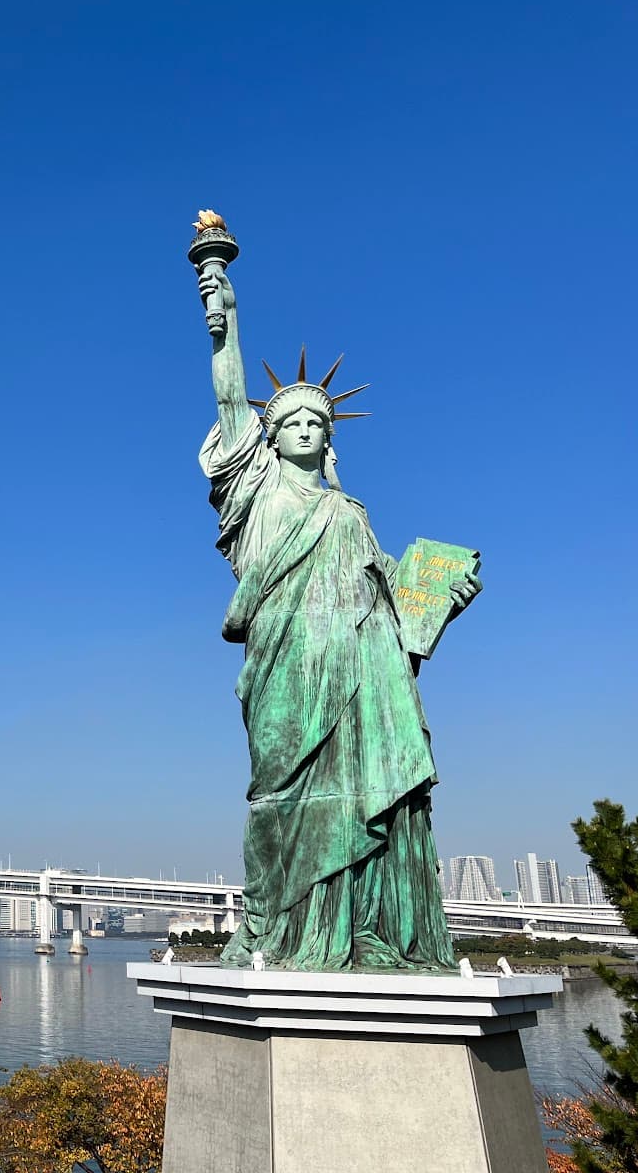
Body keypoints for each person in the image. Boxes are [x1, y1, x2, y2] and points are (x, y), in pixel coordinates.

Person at [196, 261, 479, 971]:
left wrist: (439, 601)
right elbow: (232, 400)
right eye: (289, 421)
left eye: (316, 422)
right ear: (271, 435)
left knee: (358, 795)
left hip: (359, 668)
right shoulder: (253, 488)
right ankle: (273, 929)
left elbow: (394, 601)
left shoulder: (349, 512)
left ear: (330, 437)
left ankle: (356, 932)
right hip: (286, 665)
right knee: (278, 798)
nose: (303, 429)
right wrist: (223, 315)